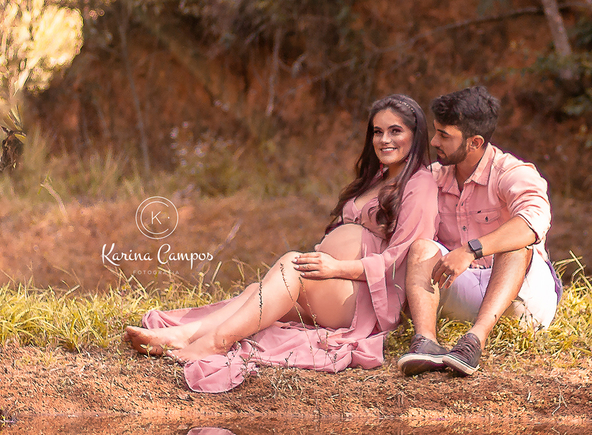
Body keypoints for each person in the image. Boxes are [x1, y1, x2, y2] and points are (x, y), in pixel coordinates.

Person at [125, 94, 438, 392]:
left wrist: (336, 267)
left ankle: (217, 342)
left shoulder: (419, 184)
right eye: (378, 132)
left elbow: (400, 258)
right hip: (341, 287)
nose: (384, 139)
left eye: (395, 131)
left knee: (290, 265)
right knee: (256, 294)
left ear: (415, 135)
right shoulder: (378, 178)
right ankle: (180, 335)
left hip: (370, 298)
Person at [398, 85, 560, 377]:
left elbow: (533, 221)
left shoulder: (512, 172)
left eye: (444, 135)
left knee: (516, 242)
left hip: (522, 297)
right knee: (421, 247)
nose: (434, 141)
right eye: (436, 132)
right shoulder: (433, 177)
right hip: (465, 288)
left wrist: (470, 250)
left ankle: (474, 341)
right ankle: (426, 342)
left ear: (474, 142)